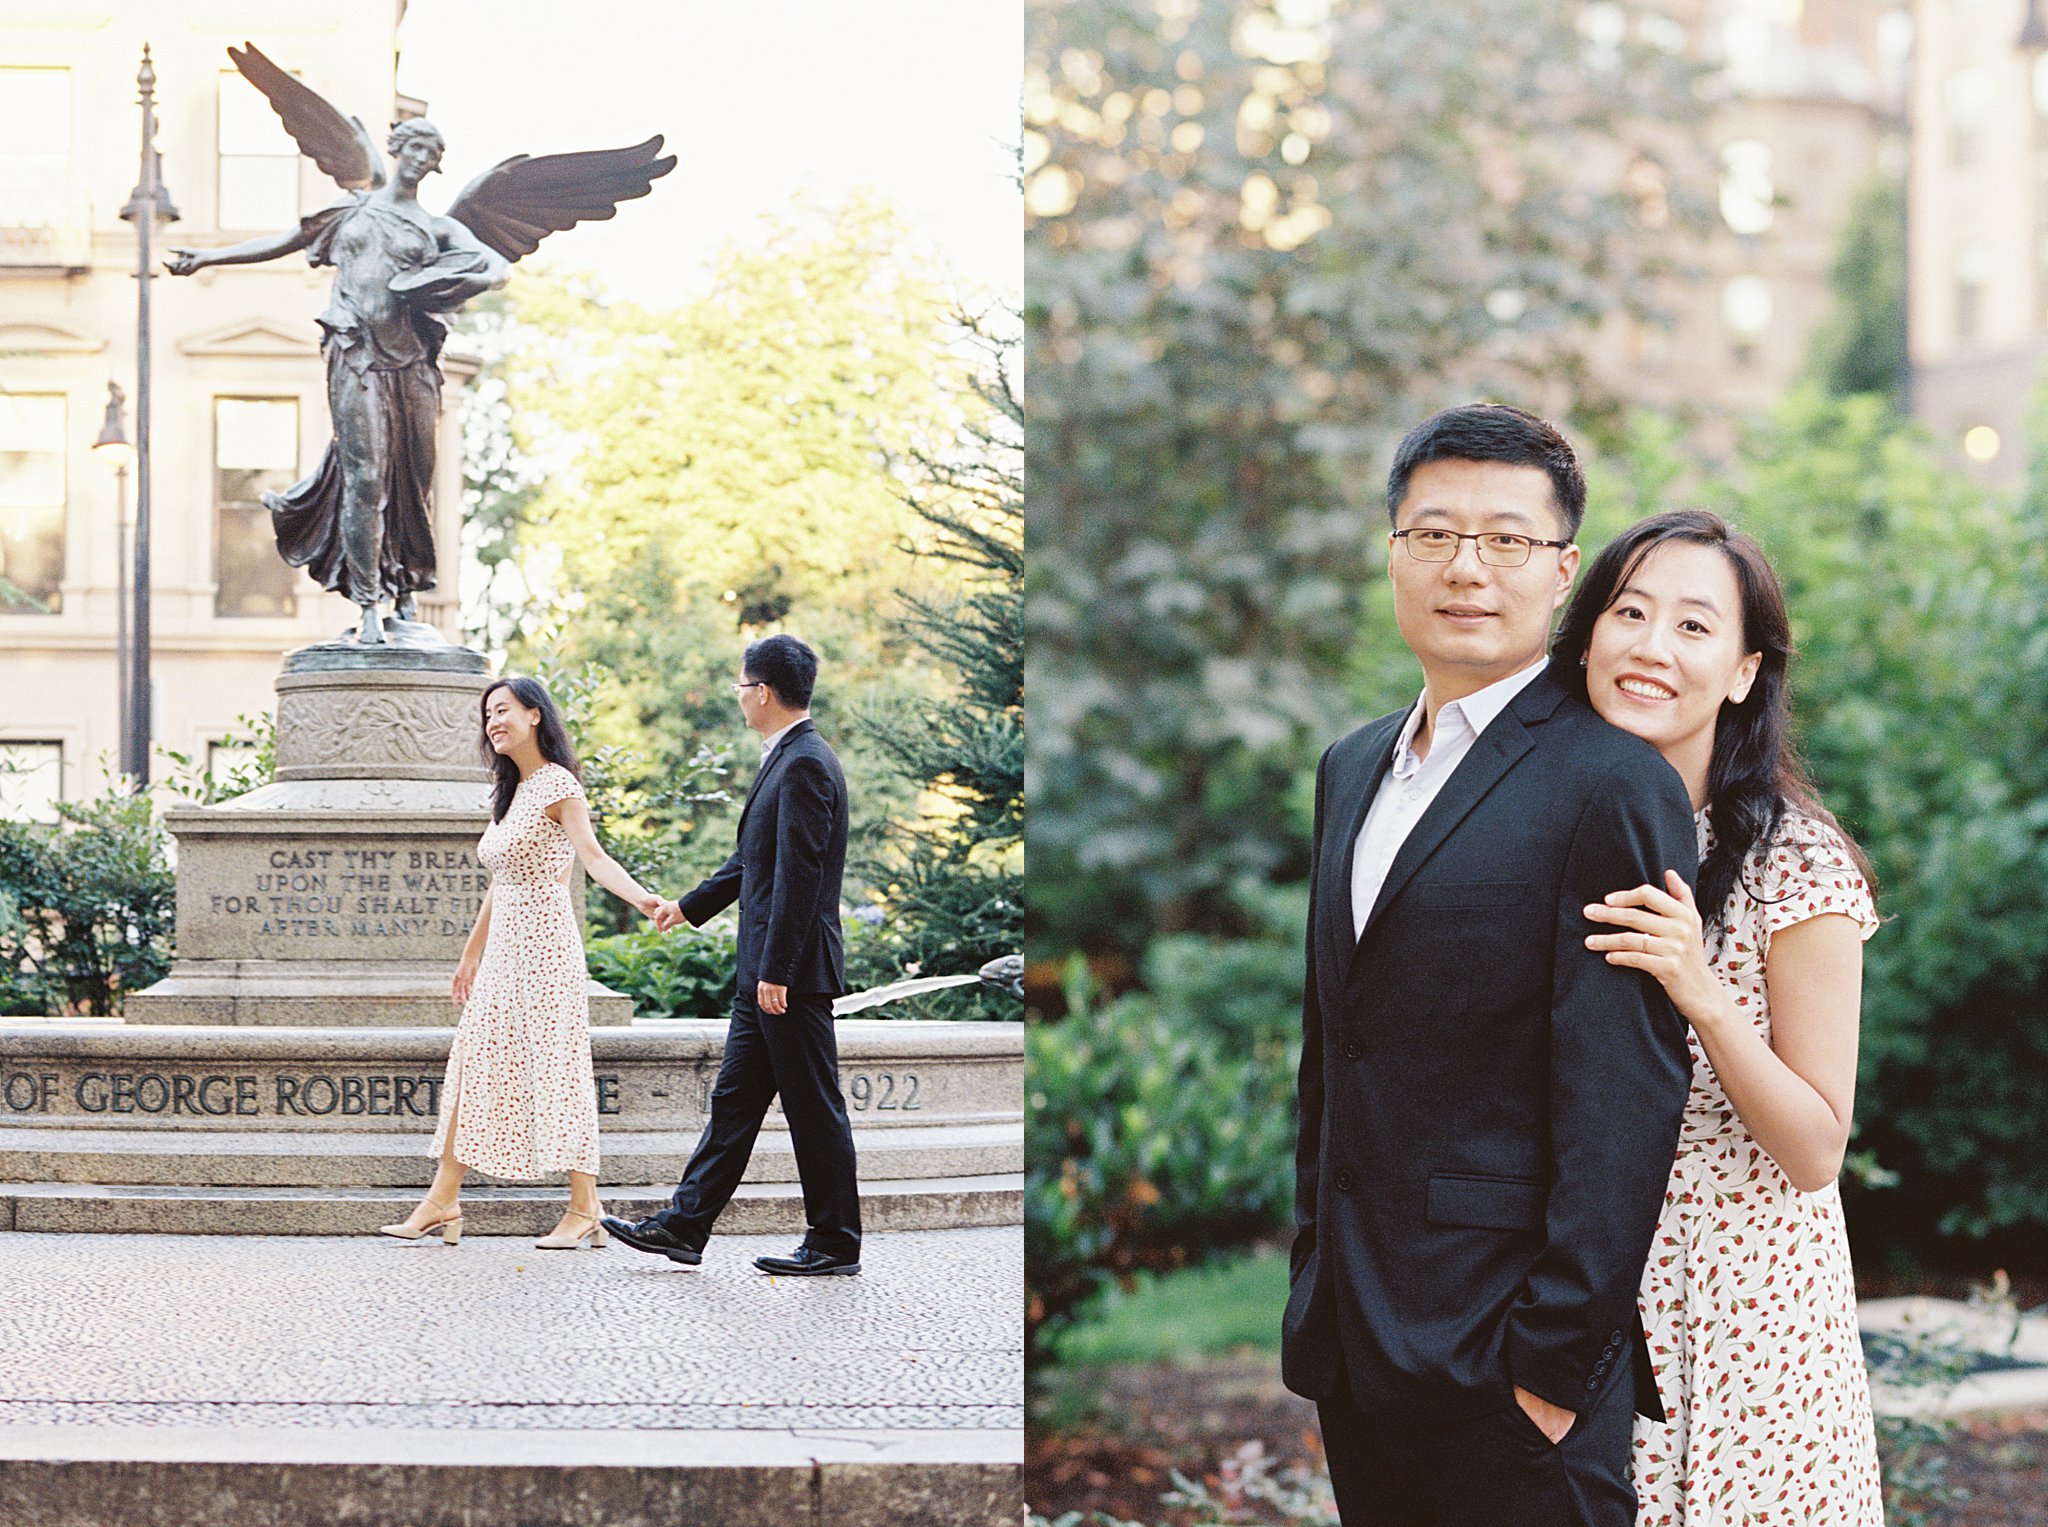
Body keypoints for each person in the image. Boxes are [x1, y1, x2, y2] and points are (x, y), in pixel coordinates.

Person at [1284, 403, 1697, 1525]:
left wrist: (1551, 1370)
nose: (1466, 567)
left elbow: (1628, 1091)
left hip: (1507, 1364)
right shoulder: (1352, 764)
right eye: (1434, 534)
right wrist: (1311, 1268)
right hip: (1354, 1342)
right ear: (1392, 555)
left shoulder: (1611, 783)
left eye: (1505, 540)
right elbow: (1338, 1042)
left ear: (1561, 570)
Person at [1553, 510, 1884, 1523]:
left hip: (1746, 1313)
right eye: (1629, 612)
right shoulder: (1552, 830)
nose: (1651, 647)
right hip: (1572, 1288)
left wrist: (1698, 988)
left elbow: (1814, 1147)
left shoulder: (1795, 865)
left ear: (1743, 671)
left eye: (1693, 627)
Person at [166, 120, 507, 646]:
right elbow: (283, 242)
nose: (419, 157)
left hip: (412, 362)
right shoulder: (353, 211)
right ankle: (369, 606)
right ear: (397, 151)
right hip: (355, 352)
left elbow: (495, 267)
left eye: (431, 152)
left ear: (436, 164)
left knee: (414, 481)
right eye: (413, 146)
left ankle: (407, 593)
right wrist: (210, 256)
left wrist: (454, 281)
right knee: (367, 479)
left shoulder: (437, 228)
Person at [603, 634, 862, 1276]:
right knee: (735, 1102)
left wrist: (777, 970)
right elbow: (753, 862)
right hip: (765, 974)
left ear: (763, 691)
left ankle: (834, 1244)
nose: (739, 697)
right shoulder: (786, 756)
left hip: (788, 975)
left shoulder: (804, 762)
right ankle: (685, 1226)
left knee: (814, 1107)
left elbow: (799, 877)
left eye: (741, 686)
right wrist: (687, 907)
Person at [379, 675, 664, 1250]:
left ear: (536, 716)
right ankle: (444, 1201)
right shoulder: (510, 791)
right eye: (487, 714)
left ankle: (583, 1207)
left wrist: (643, 898)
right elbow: (499, 881)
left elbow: (593, 857)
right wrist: (470, 956)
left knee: (557, 1067)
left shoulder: (559, 785)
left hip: (546, 949)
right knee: (474, 1061)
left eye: (503, 710)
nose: (493, 722)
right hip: (505, 950)